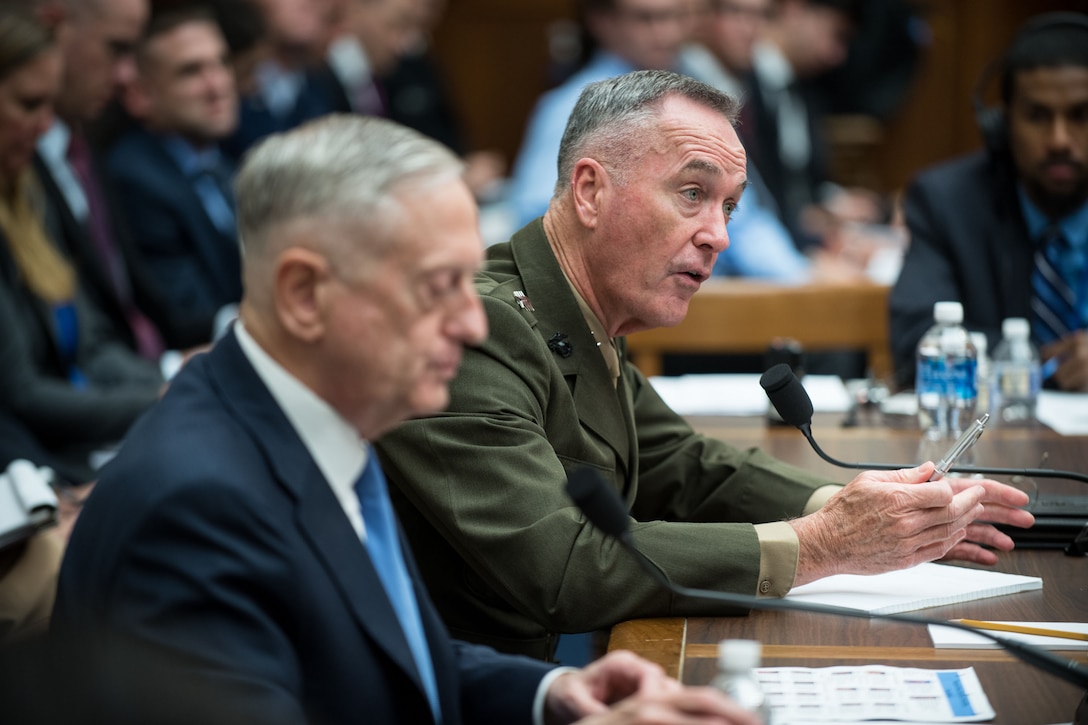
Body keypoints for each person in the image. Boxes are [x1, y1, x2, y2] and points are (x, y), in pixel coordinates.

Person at [51, 113, 758, 725]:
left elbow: (375, 657)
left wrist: (554, 694)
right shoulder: (194, 511)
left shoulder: (315, 422)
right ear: (304, 294)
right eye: (438, 286)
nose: (471, 318)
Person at [374, 70, 1035, 661]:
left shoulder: (576, 307)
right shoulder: (480, 330)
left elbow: (681, 466)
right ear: (589, 192)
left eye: (729, 206)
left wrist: (875, 512)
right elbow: (566, 566)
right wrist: (823, 543)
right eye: (692, 193)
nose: (718, 234)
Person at [0, 7, 162, 484]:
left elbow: (90, 344)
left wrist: (169, 386)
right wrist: (159, 399)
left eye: (50, 105)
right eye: (29, 105)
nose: (45, 125)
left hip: (84, 452)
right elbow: (22, 395)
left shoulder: (27, 195)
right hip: (48, 472)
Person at [889, 13, 1088, 392]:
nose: (1061, 140)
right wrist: (1041, 362)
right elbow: (916, 339)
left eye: (1081, 115)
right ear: (1002, 123)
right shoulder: (947, 201)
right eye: (1037, 116)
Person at [107, 6, 243, 344]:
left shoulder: (223, 165)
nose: (218, 85)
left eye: (222, 63)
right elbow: (185, 315)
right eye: (191, 72)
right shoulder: (135, 179)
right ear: (140, 95)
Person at [506, 0, 692, 230]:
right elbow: (538, 219)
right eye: (645, 19)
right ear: (602, 22)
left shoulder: (692, 93)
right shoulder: (572, 106)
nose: (667, 33)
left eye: (674, 17)